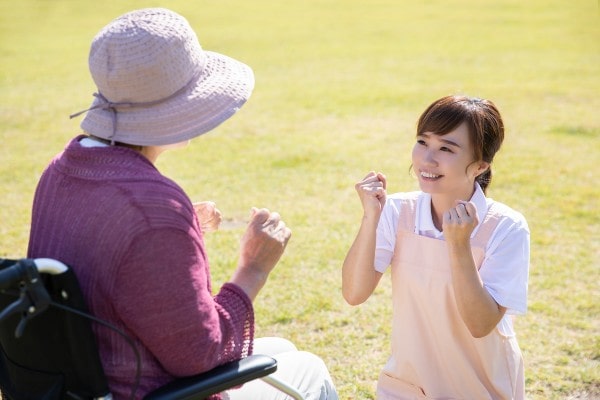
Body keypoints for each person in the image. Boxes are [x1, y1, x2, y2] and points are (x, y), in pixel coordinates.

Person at [28, 8, 337, 400]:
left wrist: (179, 223)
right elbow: (200, 355)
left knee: (284, 352)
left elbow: (110, 256)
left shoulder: (62, 169)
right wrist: (254, 268)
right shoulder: (153, 211)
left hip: (85, 386)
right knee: (309, 369)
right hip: (149, 391)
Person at [342, 95, 529, 399]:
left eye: (446, 148)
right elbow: (354, 293)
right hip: (407, 384)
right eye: (422, 142)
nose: (426, 160)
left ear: (480, 165)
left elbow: (480, 324)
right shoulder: (398, 210)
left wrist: (458, 246)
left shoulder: (506, 227)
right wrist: (370, 217)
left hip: (479, 386)